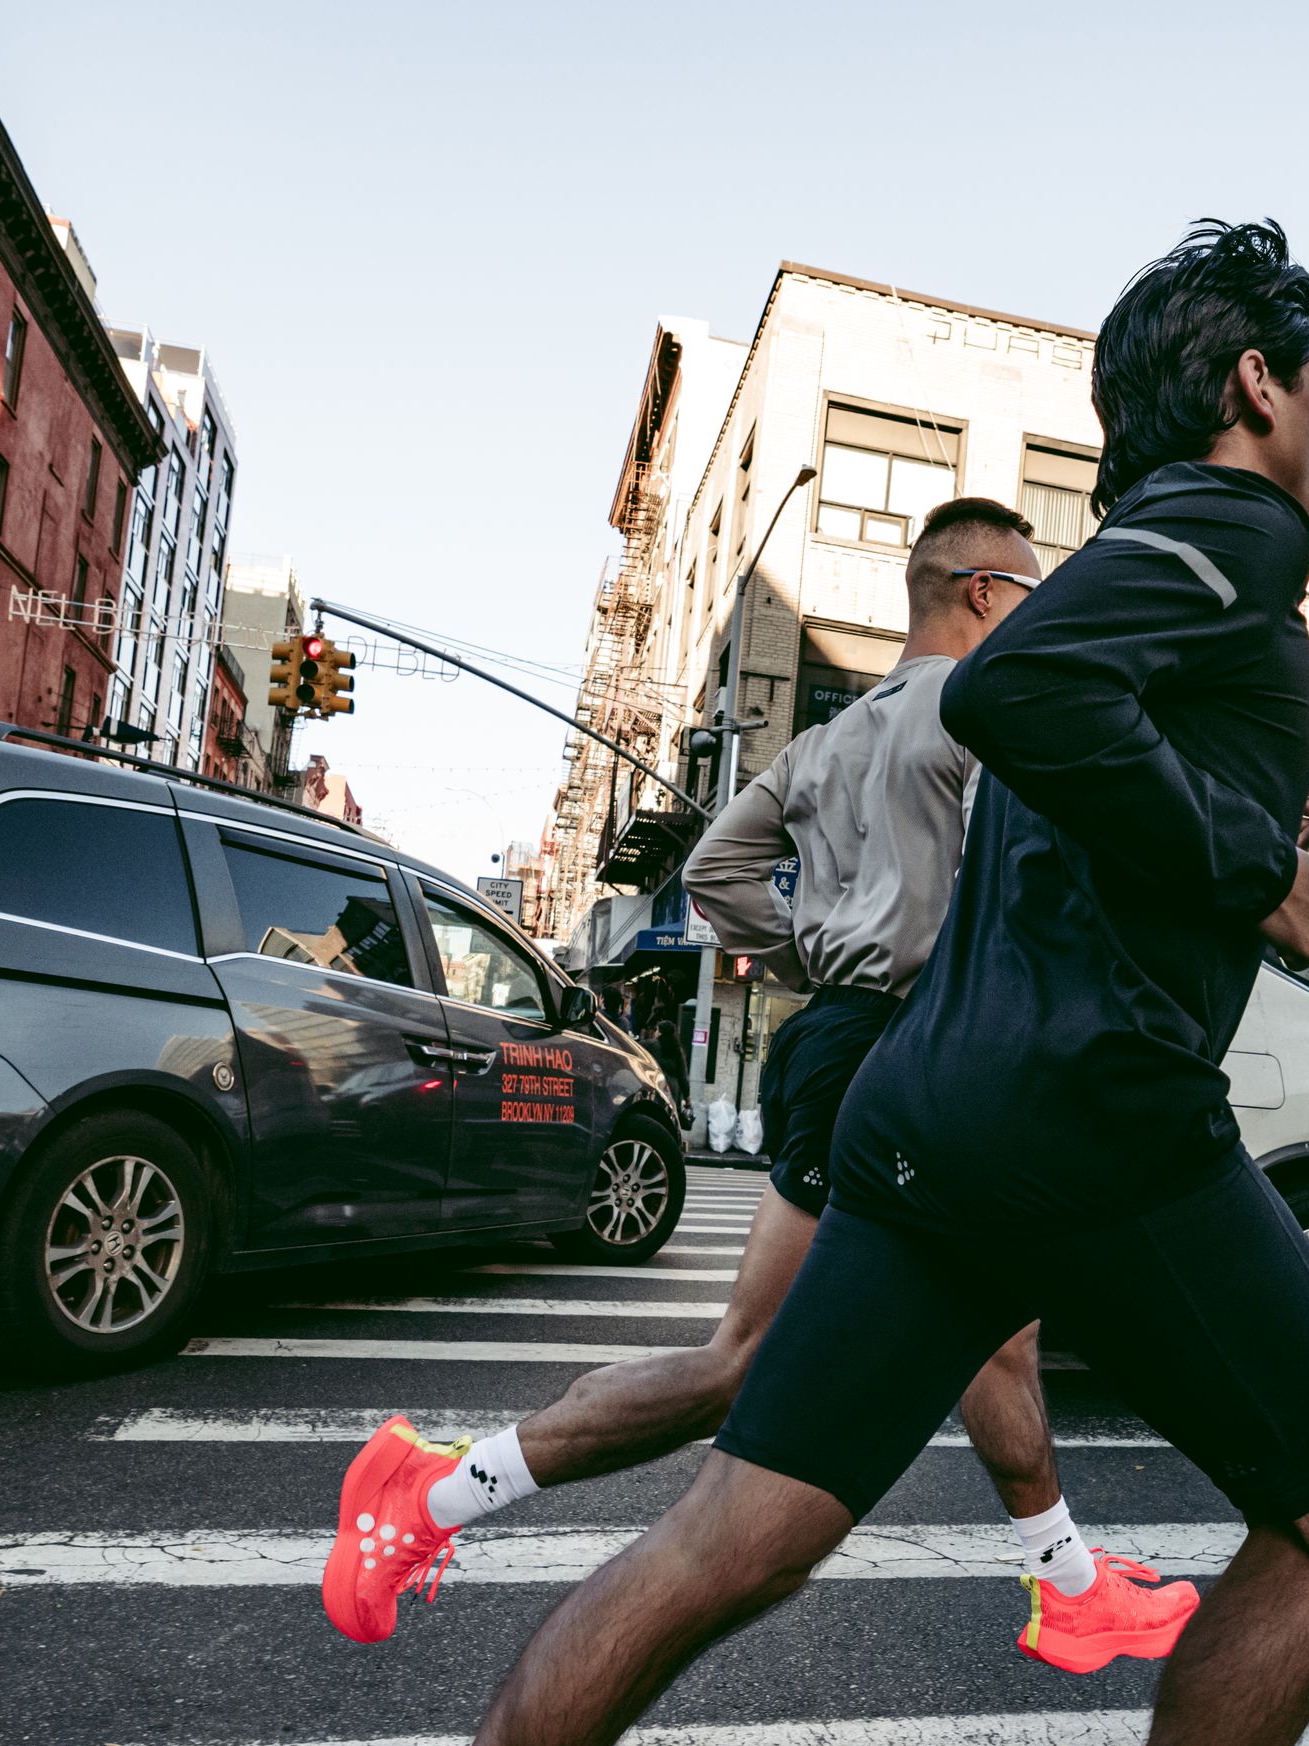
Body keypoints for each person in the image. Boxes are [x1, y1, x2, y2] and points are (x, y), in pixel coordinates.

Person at [205, 220, 1309, 1746]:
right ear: (1250, 386)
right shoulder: (1229, 533)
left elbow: (1048, 754)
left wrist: (1230, 845)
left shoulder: (1148, 569)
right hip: (1088, 1129)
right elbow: (1023, 692)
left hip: (941, 1115)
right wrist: (1237, 865)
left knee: (726, 1540)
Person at [322, 496, 1196, 1678]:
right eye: (1032, 596)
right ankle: (438, 1494)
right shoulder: (985, 715)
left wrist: (801, 960)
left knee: (964, 1335)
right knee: (798, 1360)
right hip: (917, 1048)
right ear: (986, 592)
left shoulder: (826, 741)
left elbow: (716, 867)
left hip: (837, 1036)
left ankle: (1070, 1582)